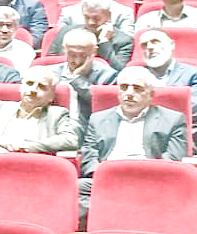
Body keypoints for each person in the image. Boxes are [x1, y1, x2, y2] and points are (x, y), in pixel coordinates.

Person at [77, 66, 189, 212]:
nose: (129, 93)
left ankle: (112, 211)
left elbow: (173, 159)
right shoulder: (98, 119)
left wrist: (143, 177)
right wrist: (102, 174)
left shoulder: (173, 119)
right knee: (71, 189)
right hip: (107, 180)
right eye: (124, 87)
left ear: (151, 94)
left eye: (137, 88)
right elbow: (89, 156)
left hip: (150, 183)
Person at [0, 66, 78, 163]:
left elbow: (70, 140)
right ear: (21, 87)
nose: (33, 90)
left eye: (41, 87)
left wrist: (27, 147)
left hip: (33, 171)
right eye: (29, 84)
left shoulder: (57, 114)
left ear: (51, 96)